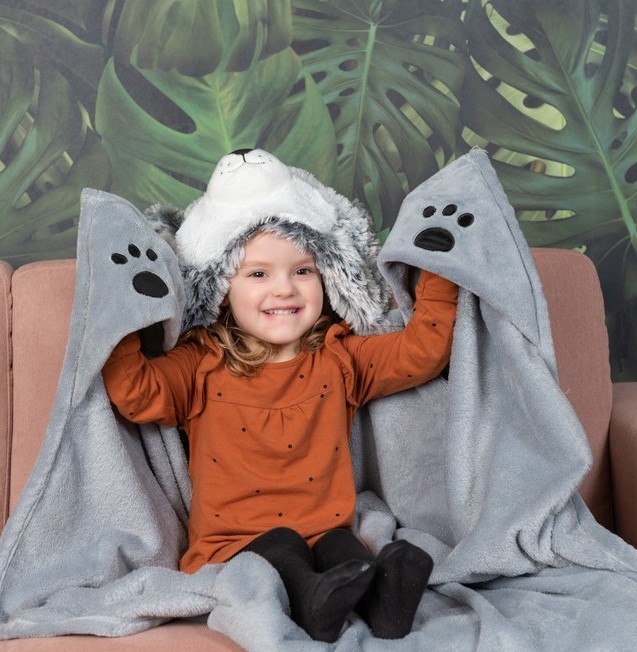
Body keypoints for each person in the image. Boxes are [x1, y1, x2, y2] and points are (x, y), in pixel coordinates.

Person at [102, 149, 458, 642]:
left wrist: (438, 266)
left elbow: (423, 352)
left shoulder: (339, 358)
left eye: (302, 271)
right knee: (285, 546)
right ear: (222, 287)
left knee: (343, 549)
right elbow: (135, 393)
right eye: (258, 274)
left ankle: (386, 601)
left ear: (327, 275)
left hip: (326, 533)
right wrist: (124, 305)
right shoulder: (202, 363)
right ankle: (313, 601)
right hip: (235, 548)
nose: (284, 289)